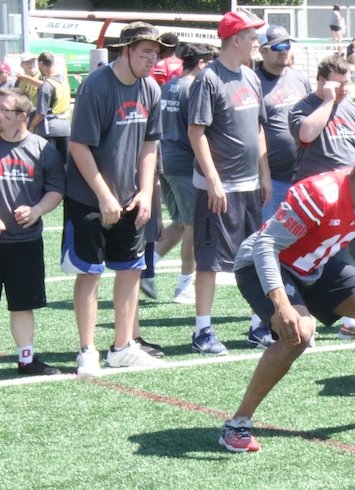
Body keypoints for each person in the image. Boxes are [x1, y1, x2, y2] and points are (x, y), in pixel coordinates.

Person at [220, 137, 355, 453]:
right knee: (299, 333)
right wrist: (281, 303)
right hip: (264, 264)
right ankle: (237, 424)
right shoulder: (320, 194)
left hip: (313, 264)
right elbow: (266, 246)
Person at [62, 22, 171, 376]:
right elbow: (78, 146)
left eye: (156, 53)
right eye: (146, 52)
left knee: (130, 271)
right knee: (90, 274)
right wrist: (105, 196)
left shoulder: (151, 88)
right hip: (90, 198)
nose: (152, 59)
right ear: (126, 50)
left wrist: (145, 191)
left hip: (130, 198)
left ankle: (123, 346)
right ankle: (87, 350)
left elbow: (149, 144)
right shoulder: (97, 85)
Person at [187, 11, 271, 355]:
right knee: (208, 260)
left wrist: (264, 173)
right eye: (253, 38)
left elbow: (259, 128)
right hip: (218, 188)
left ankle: (258, 325)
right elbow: (197, 133)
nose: (257, 44)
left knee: (254, 257)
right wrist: (213, 180)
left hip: (250, 184)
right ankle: (202, 330)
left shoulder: (250, 77)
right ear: (236, 40)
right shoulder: (208, 79)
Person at [290, 53, 355, 340]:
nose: (344, 90)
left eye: (347, 83)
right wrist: (327, 101)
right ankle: (303, 320)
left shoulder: (353, 110)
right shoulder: (304, 108)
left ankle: (351, 319)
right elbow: (307, 135)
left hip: (350, 196)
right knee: (307, 259)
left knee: (353, 253)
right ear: (322, 82)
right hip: (314, 198)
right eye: (338, 84)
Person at [0, 88, 65, 376]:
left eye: (4, 111)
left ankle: (26, 360)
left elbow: (56, 189)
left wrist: (37, 210)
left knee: (23, 304)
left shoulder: (43, 149)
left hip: (25, 242)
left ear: (22, 117)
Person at [160, 44, 217, 305]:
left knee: (181, 224)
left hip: (165, 160)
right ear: (202, 63)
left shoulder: (169, 86)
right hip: (183, 163)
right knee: (193, 227)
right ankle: (184, 286)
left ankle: (146, 268)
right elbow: (197, 130)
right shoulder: (193, 88)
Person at [255, 25, 312, 221]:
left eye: (287, 45)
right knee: (266, 240)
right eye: (277, 47)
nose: (284, 50)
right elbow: (255, 130)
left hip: (303, 176)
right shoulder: (253, 81)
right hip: (273, 180)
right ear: (262, 51)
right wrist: (265, 176)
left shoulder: (300, 79)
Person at [28, 52, 70, 159]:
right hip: (65, 127)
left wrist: (32, 126)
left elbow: (41, 113)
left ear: (41, 64)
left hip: (49, 130)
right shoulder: (64, 81)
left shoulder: (48, 85)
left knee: (49, 164)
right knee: (64, 163)